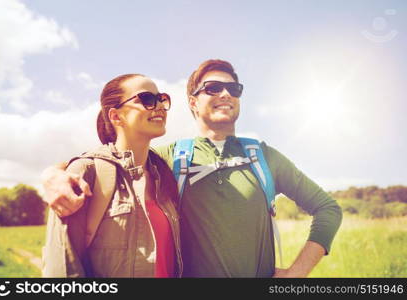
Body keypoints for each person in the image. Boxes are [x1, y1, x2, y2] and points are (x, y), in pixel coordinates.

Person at [41, 59, 342, 278]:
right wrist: (53, 173)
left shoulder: (264, 157)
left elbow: (328, 208)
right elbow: (114, 161)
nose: (226, 94)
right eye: (213, 88)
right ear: (193, 102)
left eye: (233, 88)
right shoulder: (169, 157)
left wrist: (296, 274)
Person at [42, 74, 183, 278]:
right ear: (116, 116)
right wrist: (52, 173)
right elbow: (62, 271)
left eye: (161, 98)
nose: (160, 105)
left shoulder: (165, 173)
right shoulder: (84, 174)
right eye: (147, 99)